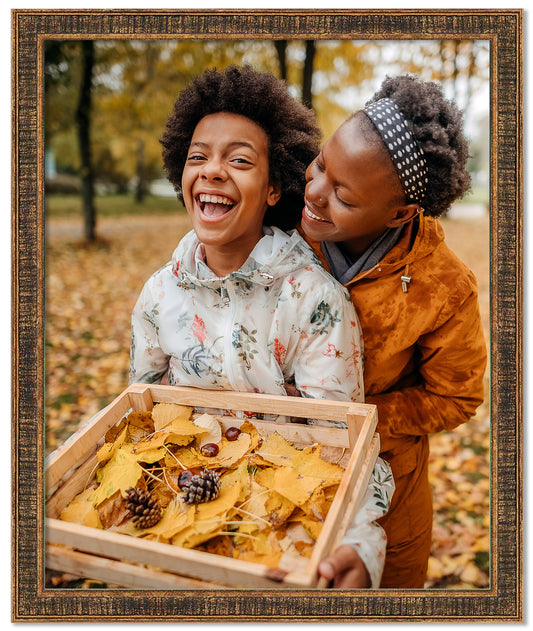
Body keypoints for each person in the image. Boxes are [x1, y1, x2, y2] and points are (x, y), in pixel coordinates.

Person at [129, 65, 395, 588]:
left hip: (281, 534)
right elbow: (139, 419)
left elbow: (342, 443)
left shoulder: (314, 300)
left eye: (240, 160)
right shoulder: (159, 295)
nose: (211, 171)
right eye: (198, 157)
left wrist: (360, 542)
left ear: (274, 188)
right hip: (178, 534)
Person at [300, 74, 487, 588]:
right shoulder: (282, 233)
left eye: (342, 193)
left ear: (399, 213)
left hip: (387, 489)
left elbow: (458, 395)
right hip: (277, 463)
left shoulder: (444, 286)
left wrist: (351, 420)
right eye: (320, 164)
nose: (314, 191)